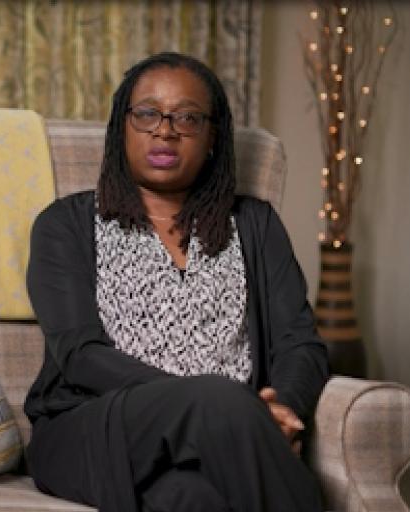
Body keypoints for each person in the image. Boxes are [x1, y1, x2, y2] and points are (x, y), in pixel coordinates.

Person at [23, 52, 329, 512]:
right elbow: (80, 355)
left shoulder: (254, 225)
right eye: (147, 113)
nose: (164, 130)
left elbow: (299, 342)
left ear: (211, 137)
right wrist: (211, 407)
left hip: (231, 433)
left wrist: (280, 408)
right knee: (216, 404)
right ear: (122, 128)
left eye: (187, 117)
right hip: (92, 429)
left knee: (193, 500)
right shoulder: (65, 224)